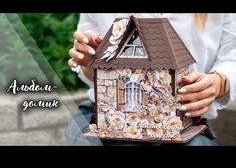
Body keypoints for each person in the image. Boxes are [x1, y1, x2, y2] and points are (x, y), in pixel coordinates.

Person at [65, 13, 236, 146]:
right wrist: (90, 63)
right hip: (104, 114)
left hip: (187, 122)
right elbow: (90, 64)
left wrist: (219, 82)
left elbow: (232, 56)